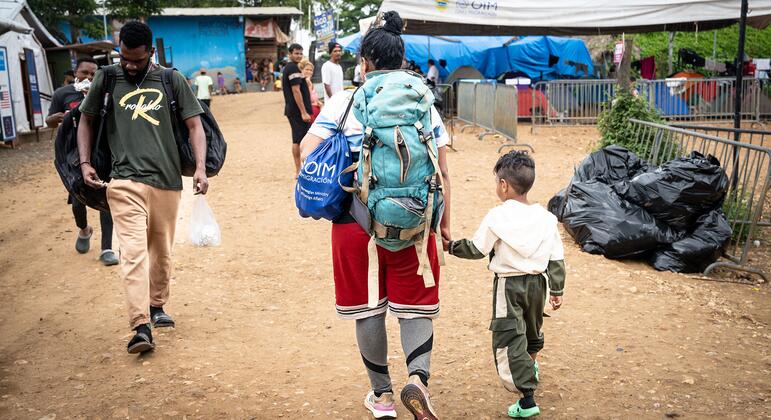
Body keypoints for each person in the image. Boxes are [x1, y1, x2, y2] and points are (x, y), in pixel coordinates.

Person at [300, 11, 452, 420]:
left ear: (364, 63)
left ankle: (383, 397)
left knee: (368, 310)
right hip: (416, 221)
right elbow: (442, 170)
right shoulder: (424, 102)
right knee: (416, 307)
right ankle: (418, 380)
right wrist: (443, 225)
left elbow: (308, 153)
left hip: (356, 225)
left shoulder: (344, 102)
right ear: (402, 61)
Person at [77, 21, 208, 355]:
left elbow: (195, 125)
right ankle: (140, 326)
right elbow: (86, 120)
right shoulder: (107, 78)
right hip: (123, 181)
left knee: (161, 251)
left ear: (151, 52)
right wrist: (85, 162)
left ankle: (157, 304)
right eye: (124, 58)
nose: (130, 65)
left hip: (167, 181)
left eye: (137, 60)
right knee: (133, 252)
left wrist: (201, 168)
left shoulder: (171, 80)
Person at [444, 151, 566, 418]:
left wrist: (451, 247)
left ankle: (527, 399)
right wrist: (557, 290)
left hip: (508, 286)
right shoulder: (546, 218)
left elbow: (477, 248)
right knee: (532, 331)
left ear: (503, 185)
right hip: (538, 285)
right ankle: (531, 367)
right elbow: (556, 257)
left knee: (509, 337)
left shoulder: (497, 217)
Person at [47, 57, 118, 267]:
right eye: (84, 73)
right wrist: (57, 118)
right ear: (75, 73)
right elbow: (49, 122)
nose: (88, 77)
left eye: (93, 74)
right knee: (78, 201)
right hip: (74, 155)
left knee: (106, 197)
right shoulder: (63, 94)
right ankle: (84, 229)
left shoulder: (106, 93)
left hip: (103, 152)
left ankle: (107, 248)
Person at [281, 44, 312, 177]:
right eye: (296, 53)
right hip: (297, 111)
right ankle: (299, 170)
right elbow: (296, 91)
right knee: (298, 140)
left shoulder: (293, 67)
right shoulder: (292, 67)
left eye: (300, 53)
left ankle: (300, 169)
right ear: (290, 54)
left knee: (299, 139)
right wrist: (303, 112)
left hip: (295, 110)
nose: (299, 56)